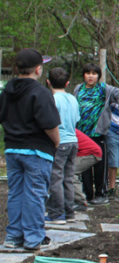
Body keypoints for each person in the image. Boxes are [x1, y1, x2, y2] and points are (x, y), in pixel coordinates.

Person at [0, 48, 60, 250]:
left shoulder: (8, 89)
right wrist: (57, 142)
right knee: (35, 193)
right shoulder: (40, 92)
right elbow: (49, 125)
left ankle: (13, 237)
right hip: (36, 151)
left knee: (16, 192)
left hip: (12, 149)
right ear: (37, 69)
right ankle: (34, 238)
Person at [73, 63, 119, 205]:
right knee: (83, 166)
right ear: (83, 75)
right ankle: (87, 194)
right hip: (81, 135)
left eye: (94, 73)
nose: (91, 76)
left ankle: (101, 194)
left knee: (100, 165)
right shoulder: (78, 89)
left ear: (98, 76)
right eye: (88, 73)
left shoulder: (105, 89)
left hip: (98, 135)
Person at [45, 67, 80, 224]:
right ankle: (69, 211)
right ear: (67, 83)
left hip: (60, 141)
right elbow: (77, 119)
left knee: (56, 178)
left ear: (48, 82)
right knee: (68, 177)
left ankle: (56, 213)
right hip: (74, 141)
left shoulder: (52, 99)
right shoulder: (73, 99)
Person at [72, 129, 103, 210]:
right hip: (85, 151)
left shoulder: (59, 129)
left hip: (91, 152)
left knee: (70, 173)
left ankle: (80, 202)